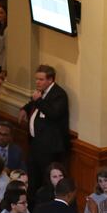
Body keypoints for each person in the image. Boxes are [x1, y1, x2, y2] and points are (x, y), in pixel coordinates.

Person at [18, 65, 70, 197]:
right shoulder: (41, 92)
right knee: (33, 179)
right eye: (36, 79)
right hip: (36, 145)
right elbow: (32, 103)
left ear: (50, 79)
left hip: (49, 148)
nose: (37, 82)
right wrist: (24, 108)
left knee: (46, 181)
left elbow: (53, 114)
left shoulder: (59, 95)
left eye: (41, 79)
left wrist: (39, 100)